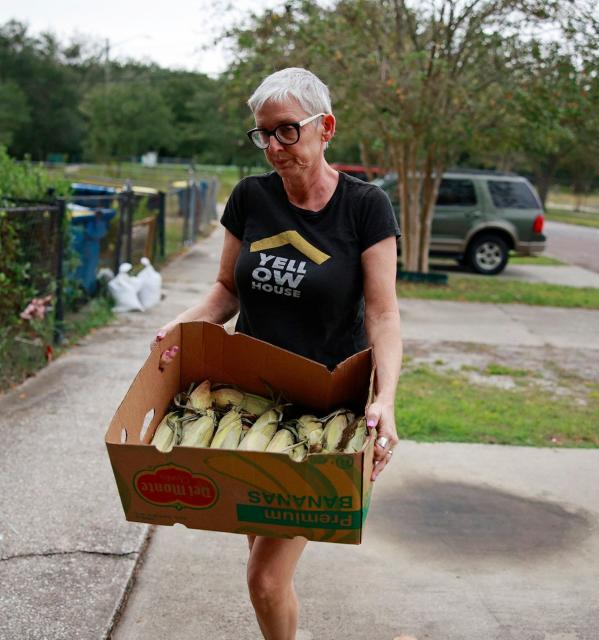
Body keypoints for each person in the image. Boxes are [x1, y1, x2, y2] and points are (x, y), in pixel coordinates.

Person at [151, 67, 402, 640]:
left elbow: (383, 315)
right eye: (263, 134)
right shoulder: (250, 197)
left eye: (286, 131)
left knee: (263, 579)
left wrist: (385, 398)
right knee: (264, 567)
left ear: (325, 127)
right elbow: (227, 290)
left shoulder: (365, 208)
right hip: (250, 404)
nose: (272, 147)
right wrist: (177, 329)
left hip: (321, 412)